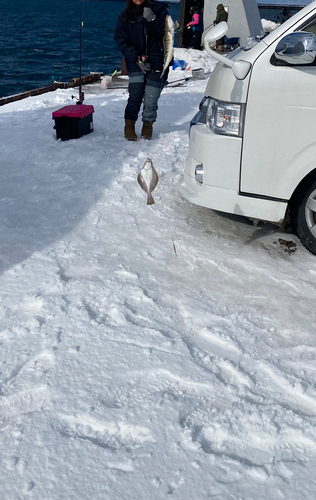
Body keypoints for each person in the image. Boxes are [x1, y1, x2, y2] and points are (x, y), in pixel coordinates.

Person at [114, 0, 170, 141]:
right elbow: (121, 39)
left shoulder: (159, 9)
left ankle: (148, 124)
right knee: (135, 96)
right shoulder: (125, 16)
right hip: (135, 63)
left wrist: (153, 21)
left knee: (152, 97)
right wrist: (136, 58)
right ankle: (129, 125)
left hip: (158, 61)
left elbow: (166, 34)